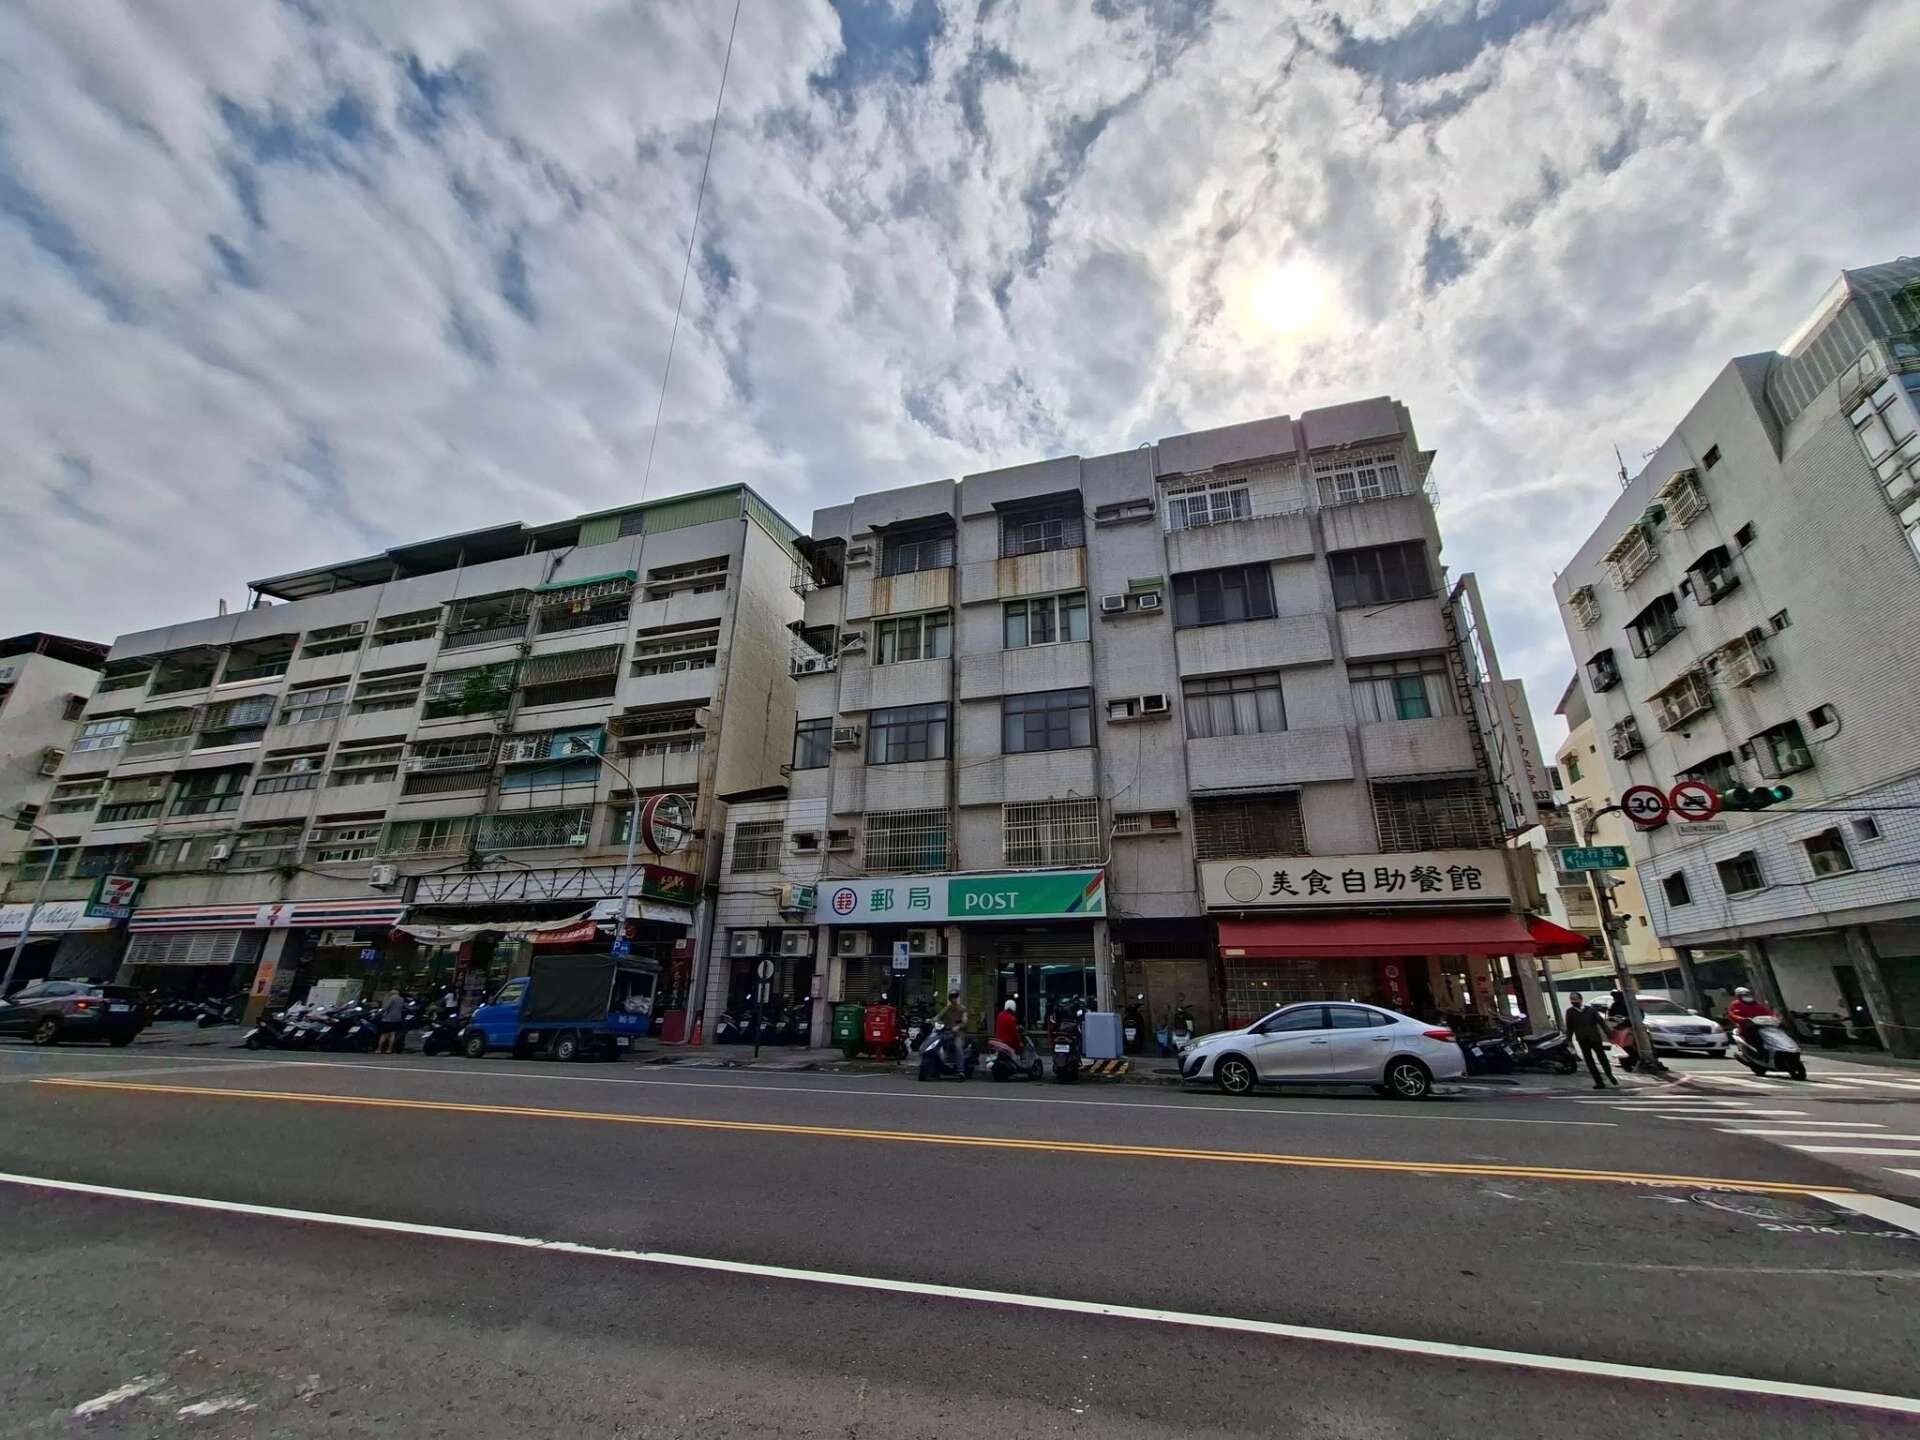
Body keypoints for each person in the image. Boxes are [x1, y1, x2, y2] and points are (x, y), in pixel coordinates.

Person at [1564, 994, 1618, 1090]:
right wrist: (1569, 1040)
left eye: (1576, 999)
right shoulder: (1570, 1012)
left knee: (1602, 1058)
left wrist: (1609, 1034)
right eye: (1572, 1000)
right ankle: (1599, 1082)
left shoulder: (1590, 1010)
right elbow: (1569, 1027)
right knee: (1589, 1061)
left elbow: (1601, 1022)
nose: (1574, 1001)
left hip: (1594, 1038)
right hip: (1582, 1039)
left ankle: (1610, 1075)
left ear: (1581, 999)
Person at [936, 984, 968, 1075]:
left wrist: (958, 1026)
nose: (954, 999)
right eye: (952, 997)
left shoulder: (962, 1009)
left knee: (958, 1047)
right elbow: (938, 1016)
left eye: (955, 997)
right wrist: (931, 1020)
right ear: (950, 999)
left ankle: (961, 1071)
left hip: (959, 1034)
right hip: (948, 1033)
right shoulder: (947, 1008)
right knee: (936, 1043)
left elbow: (965, 1021)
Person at [377, 988, 407, 1054]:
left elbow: (385, 1008)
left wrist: (380, 1012)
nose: (391, 991)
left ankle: (379, 1049)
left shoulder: (391, 998)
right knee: (392, 1034)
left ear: (396, 991)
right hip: (397, 1019)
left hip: (388, 1018)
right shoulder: (401, 999)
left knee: (384, 1034)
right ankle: (389, 1049)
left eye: (393, 990)